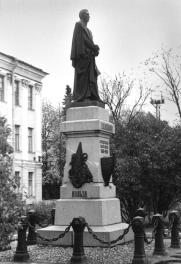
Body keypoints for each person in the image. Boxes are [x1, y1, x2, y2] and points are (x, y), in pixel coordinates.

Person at [70, 9, 101, 102]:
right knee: (83, 78)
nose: (89, 16)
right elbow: (80, 40)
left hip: (89, 58)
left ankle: (91, 95)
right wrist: (93, 47)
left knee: (92, 76)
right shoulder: (78, 25)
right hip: (82, 57)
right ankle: (83, 96)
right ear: (82, 16)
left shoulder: (89, 31)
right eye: (87, 14)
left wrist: (95, 50)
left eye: (89, 14)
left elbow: (89, 42)